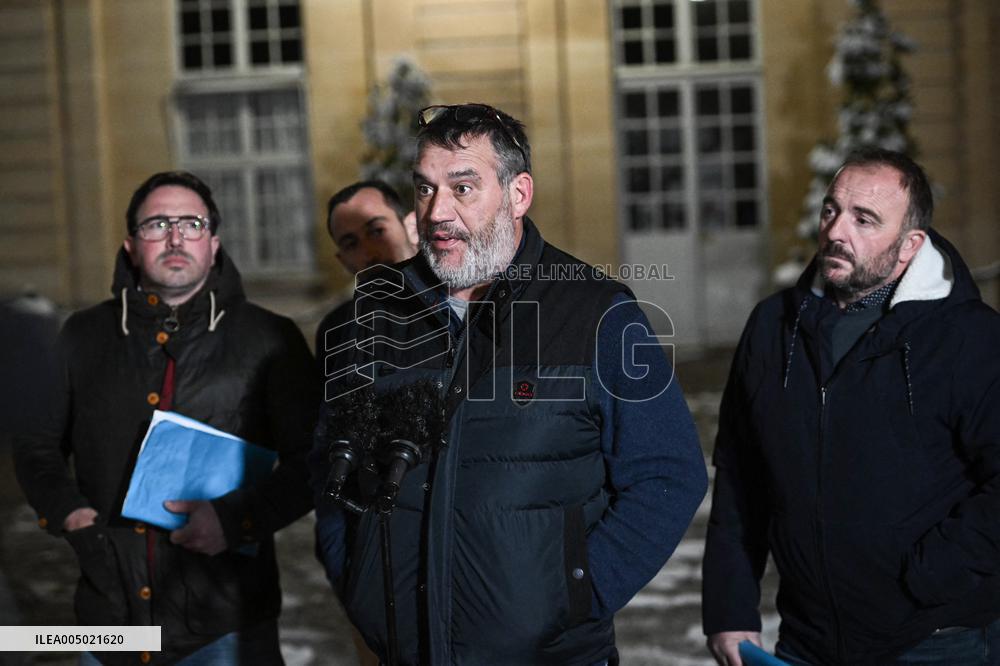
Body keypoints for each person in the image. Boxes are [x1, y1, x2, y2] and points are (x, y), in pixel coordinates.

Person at [311, 103, 707, 665]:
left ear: (518, 195)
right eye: (425, 190)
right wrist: (359, 580)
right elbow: (330, 463)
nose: (437, 212)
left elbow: (669, 473)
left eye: (463, 188)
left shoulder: (597, 313)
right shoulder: (369, 318)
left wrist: (577, 593)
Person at [702, 149, 1000, 666]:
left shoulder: (969, 338)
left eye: (865, 219)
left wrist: (931, 574)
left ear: (911, 246)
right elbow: (740, 477)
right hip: (807, 638)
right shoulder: (773, 329)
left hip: (934, 639)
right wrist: (729, 607)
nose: (838, 231)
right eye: (831, 210)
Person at [14, 171, 319, 665]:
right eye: (156, 224)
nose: (175, 237)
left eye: (191, 223)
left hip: (226, 621)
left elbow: (314, 460)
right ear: (131, 245)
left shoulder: (271, 338)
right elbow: (36, 443)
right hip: (108, 618)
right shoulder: (81, 335)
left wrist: (236, 520)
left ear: (214, 243)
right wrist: (69, 513)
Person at [315, 180, 419, 357]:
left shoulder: (464, 305)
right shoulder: (337, 333)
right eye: (351, 244)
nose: (369, 254)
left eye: (377, 232)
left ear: (412, 229)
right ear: (343, 261)